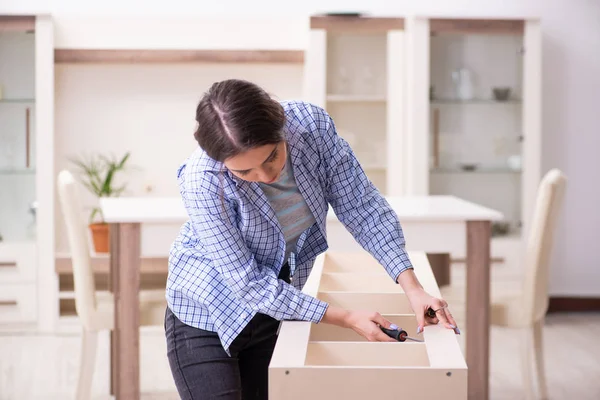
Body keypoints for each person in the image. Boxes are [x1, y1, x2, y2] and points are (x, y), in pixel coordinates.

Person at [164, 79, 459, 400]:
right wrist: (345, 318)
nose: (266, 176)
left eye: (271, 157)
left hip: (275, 308)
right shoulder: (201, 180)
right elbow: (248, 284)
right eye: (245, 173)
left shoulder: (311, 128)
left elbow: (362, 207)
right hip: (206, 313)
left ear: (280, 127)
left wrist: (412, 288)